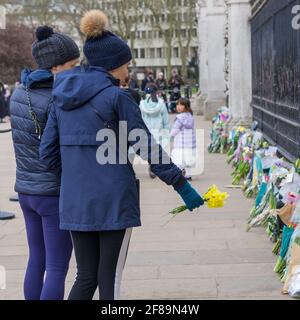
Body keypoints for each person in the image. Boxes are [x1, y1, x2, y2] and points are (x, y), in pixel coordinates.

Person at [39, 10, 204, 301]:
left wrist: (76, 176)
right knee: (109, 280)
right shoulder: (118, 97)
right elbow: (146, 146)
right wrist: (182, 185)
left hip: (76, 199)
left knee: (85, 277)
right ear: (114, 66)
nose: (129, 70)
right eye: (127, 64)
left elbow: (47, 153)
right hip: (112, 200)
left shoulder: (60, 97)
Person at [9, 26, 80, 300]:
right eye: (73, 65)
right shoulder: (58, 98)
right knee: (57, 266)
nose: (76, 70)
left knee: (36, 260)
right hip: (53, 192)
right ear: (56, 66)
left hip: (26, 191)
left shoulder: (18, 93)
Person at [140, 83, 170, 179]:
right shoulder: (161, 103)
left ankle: (151, 165)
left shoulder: (142, 104)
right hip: (159, 130)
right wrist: (167, 131)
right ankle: (156, 168)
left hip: (147, 130)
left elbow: (140, 118)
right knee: (158, 151)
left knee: (150, 150)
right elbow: (165, 119)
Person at [171, 98, 196, 180]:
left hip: (180, 142)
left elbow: (174, 130)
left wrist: (169, 136)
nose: (178, 107)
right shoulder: (190, 116)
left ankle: (180, 173)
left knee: (178, 159)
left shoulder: (179, 118)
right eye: (177, 104)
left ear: (186, 106)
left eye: (181, 105)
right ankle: (188, 174)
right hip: (190, 142)